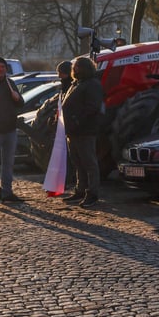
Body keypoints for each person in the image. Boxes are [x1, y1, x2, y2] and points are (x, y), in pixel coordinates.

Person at [61, 57, 104, 208]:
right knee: (78, 162)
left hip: (85, 130)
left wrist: (77, 121)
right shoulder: (76, 83)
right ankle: (80, 190)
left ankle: (92, 193)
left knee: (89, 163)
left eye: (78, 66)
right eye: (74, 66)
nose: (75, 68)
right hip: (72, 130)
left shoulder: (92, 84)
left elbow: (92, 107)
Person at [0, 57, 25, 202]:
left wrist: (17, 98)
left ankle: (7, 193)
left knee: (8, 164)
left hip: (10, 130)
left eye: (2, 67)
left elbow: (21, 103)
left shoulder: (10, 83)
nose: (0, 69)